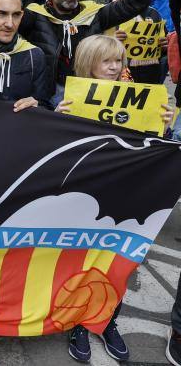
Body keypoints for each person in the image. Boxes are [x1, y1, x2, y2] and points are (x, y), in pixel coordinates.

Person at [54, 34, 172, 363]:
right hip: (84, 194)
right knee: (80, 260)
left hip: (128, 193)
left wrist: (162, 126)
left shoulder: (142, 97)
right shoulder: (69, 98)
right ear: (87, 63)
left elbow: (154, 148)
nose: (113, 66)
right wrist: (56, 118)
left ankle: (107, 321)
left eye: (118, 60)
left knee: (118, 261)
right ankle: (78, 321)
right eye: (106, 60)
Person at [18, 0, 150, 105]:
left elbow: (138, 2)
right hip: (46, 95)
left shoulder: (95, 13)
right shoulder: (35, 15)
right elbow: (12, 6)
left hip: (89, 93)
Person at [109, 0, 167, 84]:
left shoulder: (154, 14)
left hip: (149, 75)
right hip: (116, 74)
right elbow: (92, 44)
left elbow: (163, 45)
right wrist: (110, 40)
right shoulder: (106, 14)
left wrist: (164, 46)